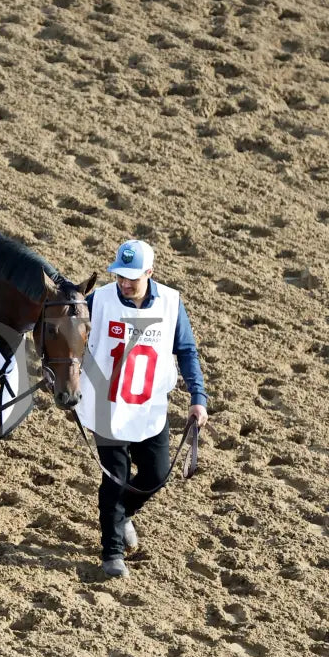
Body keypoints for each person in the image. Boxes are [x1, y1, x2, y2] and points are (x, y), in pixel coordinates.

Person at [76, 240, 208, 579]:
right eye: (119, 276)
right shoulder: (99, 301)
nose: (124, 283)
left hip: (148, 405)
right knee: (115, 477)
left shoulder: (170, 304)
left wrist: (198, 397)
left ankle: (121, 517)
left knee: (156, 474)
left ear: (149, 272)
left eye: (131, 278)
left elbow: (187, 351)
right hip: (106, 403)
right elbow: (67, 329)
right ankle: (112, 551)